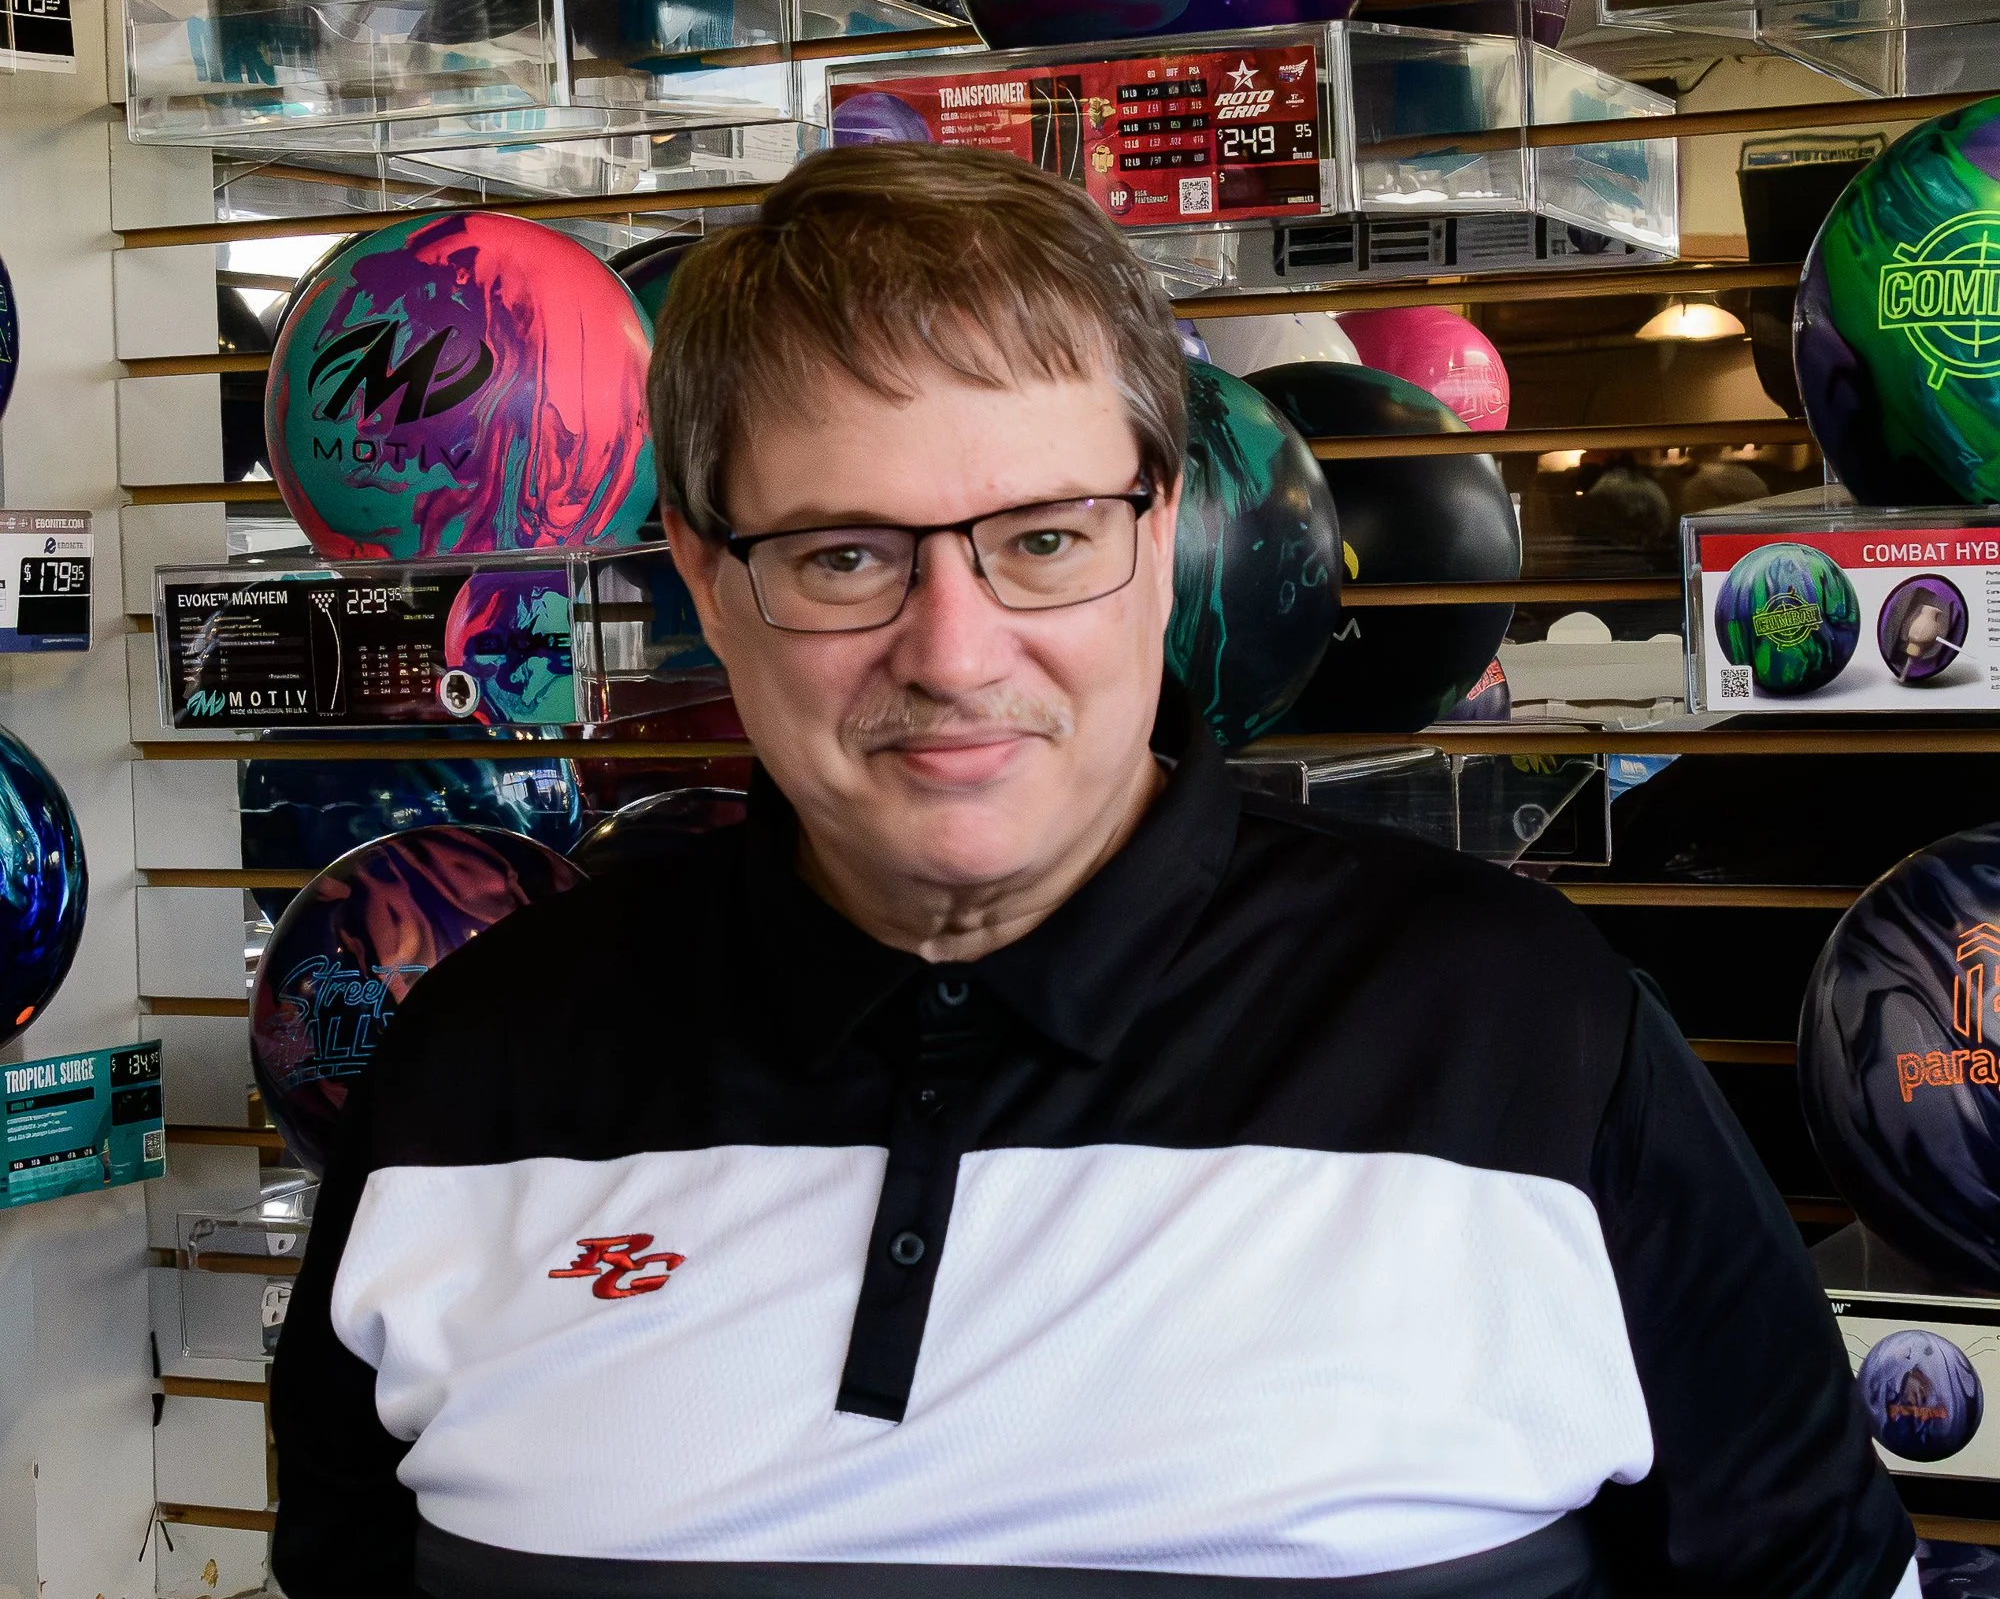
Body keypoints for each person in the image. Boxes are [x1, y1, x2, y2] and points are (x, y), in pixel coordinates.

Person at [271, 143, 1916, 1598]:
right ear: (707, 576)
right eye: (843, 555)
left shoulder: (1525, 1034)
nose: (956, 649)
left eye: (1043, 538)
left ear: (1164, 533)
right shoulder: (471, 1069)